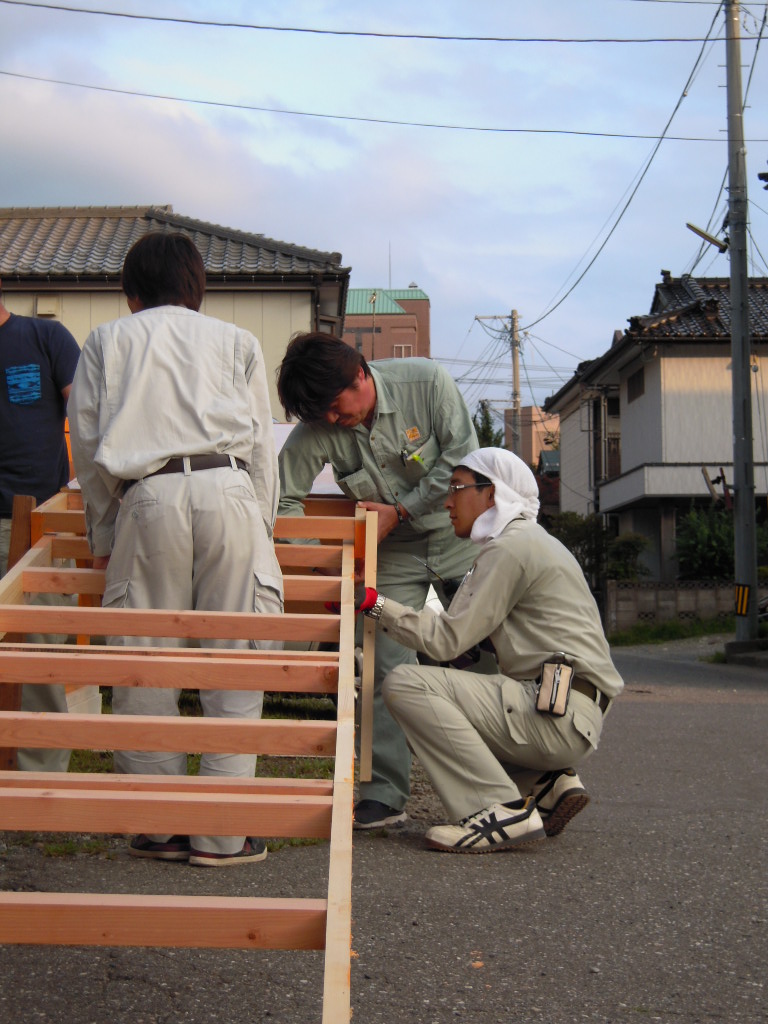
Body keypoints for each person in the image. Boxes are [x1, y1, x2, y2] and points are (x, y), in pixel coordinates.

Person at [68, 232, 283, 867]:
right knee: (235, 663)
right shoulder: (238, 341)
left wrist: (106, 535)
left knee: (145, 662)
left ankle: (158, 826)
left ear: (131, 293)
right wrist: (261, 535)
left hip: (148, 494)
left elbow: (87, 443)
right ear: (198, 286)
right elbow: (263, 450)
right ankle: (222, 835)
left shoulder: (107, 340)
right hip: (231, 490)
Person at [355, 447, 624, 853]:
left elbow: (446, 638)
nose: (447, 501)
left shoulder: (509, 549)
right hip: (568, 708)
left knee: (406, 684)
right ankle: (545, 784)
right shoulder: (532, 542)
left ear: (493, 493)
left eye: (457, 488)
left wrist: (374, 603)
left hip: (555, 713)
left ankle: (497, 806)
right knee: (455, 691)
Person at [277, 332, 478, 829]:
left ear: (361, 374)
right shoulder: (317, 428)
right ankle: (384, 791)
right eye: (316, 412)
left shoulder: (427, 382)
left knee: (495, 655)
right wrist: (326, 563)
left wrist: (402, 509)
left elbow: (462, 457)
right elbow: (280, 502)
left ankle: (522, 781)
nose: (329, 418)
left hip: (465, 537)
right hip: (392, 556)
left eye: (332, 404)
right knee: (386, 667)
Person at [0, 280, 81, 773]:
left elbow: (89, 417)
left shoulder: (45, 338)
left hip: (39, 523)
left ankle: (39, 779)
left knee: (42, 654)